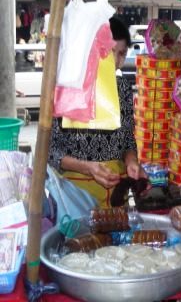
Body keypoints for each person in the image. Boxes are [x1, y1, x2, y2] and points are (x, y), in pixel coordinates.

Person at [49, 17, 148, 208]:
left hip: (116, 195)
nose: (116, 61)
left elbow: (127, 140)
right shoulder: (67, 89)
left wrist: (131, 163)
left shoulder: (123, 90)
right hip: (76, 197)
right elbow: (51, 152)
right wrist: (88, 167)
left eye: (121, 54)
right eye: (110, 52)